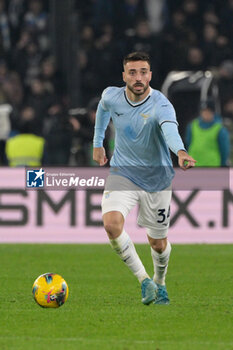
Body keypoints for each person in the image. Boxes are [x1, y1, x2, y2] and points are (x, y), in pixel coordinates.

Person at [93, 51, 196, 305]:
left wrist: (180, 151)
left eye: (143, 72)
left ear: (150, 75)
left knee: (158, 244)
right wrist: (98, 143)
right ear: (124, 76)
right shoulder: (111, 96)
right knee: (111, 224)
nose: (138, 78)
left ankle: (160, 283)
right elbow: (102, 109)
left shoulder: (160, 104)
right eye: (132, 72)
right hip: (122, 172)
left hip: (156, 179)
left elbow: (170, 130)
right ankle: (144, 281)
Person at [185, 98, 230, 166]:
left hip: (211, 165)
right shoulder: (192, 126)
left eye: (208, 111)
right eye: (203, 111)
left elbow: (224, 150)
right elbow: (188, 143)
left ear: (213, 113)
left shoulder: (220, 129)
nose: (205, 114)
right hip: (193, 164)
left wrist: (222, 165)